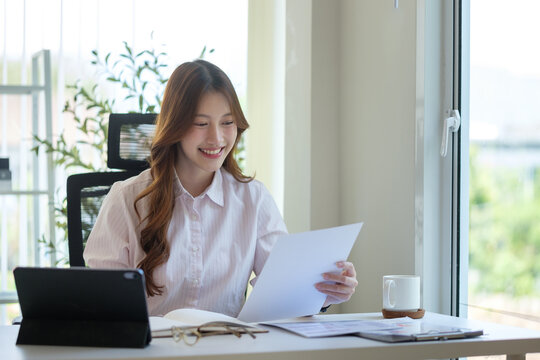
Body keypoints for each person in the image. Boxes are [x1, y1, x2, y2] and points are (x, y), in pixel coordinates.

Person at [84, 59, 358, 317]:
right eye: (201, 124)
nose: (216, 138)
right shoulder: (125, 199)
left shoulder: (254, 199)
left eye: (227, 123)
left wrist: (327, 292)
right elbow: (101, 304)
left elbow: (284, 294)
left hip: (229, 349)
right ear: (175, 127)